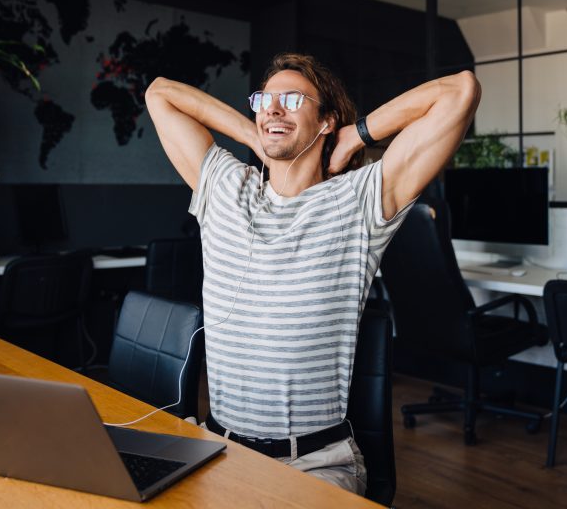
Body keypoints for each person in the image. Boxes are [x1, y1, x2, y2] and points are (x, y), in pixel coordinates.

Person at [145, 53, 480, 495]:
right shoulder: (226, 188)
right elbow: (160, 94)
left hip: (313, 465)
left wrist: (355, 136)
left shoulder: (361, 201)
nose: (273, 108)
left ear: (326, 121)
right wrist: (258, 131)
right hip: (219, 452)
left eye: (292, 99)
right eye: (265, 100)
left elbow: (461, 91)